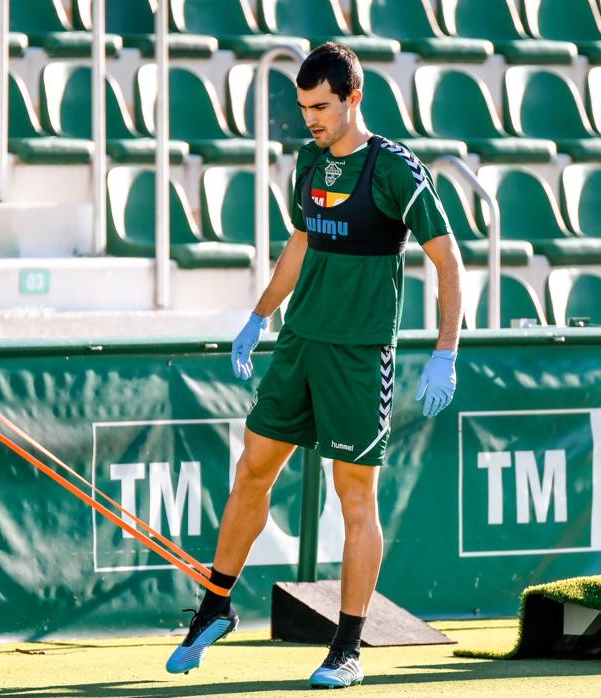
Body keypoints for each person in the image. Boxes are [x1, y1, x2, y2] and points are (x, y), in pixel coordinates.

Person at [165, 42, 464, 689]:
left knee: (354, 497)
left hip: (358, 359)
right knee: (252, 469)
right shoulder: (307, 160)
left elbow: (448, 261)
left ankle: (347, 648)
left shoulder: (396, 171)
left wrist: (445, 352)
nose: (312, 121)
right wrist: (259, 316)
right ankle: (216, 607)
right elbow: (300, 243)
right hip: (298, 344)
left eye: (322, 107)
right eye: (304, 109)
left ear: (354, 97)